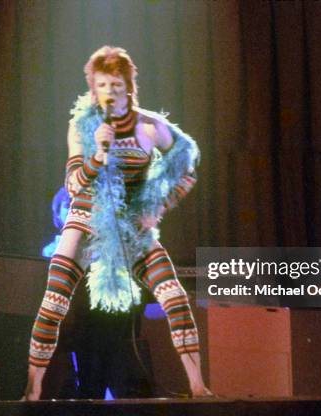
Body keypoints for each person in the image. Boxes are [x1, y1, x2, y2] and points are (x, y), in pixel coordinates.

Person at [25, 46, 211, 400]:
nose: (109, 91)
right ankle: (32, 388)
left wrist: (159, 205)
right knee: (54, 300)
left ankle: (198, 386)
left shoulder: (151, 127)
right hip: (86, 217)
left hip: (130, 224)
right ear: (93, 90)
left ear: (129, 87)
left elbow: (187, 168)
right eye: (102, 85)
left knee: (175, 296)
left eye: (115, 84)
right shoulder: (81, 126)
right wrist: (98, 153)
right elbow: (74, 183)